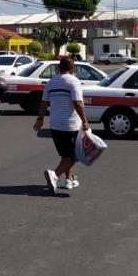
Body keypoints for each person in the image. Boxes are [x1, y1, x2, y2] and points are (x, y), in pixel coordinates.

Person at [33, 57, 90, 194]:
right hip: (70, 125)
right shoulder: (73, 81)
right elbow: (77, 102)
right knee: (73, 155)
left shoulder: (51, 82)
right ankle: (55, 175)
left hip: (55, 125)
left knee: (65, 155)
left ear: (59, 68)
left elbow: (44, 103)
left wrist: (40, 119)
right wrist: (85, 121)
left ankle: (69, 179)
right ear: (72, 69)